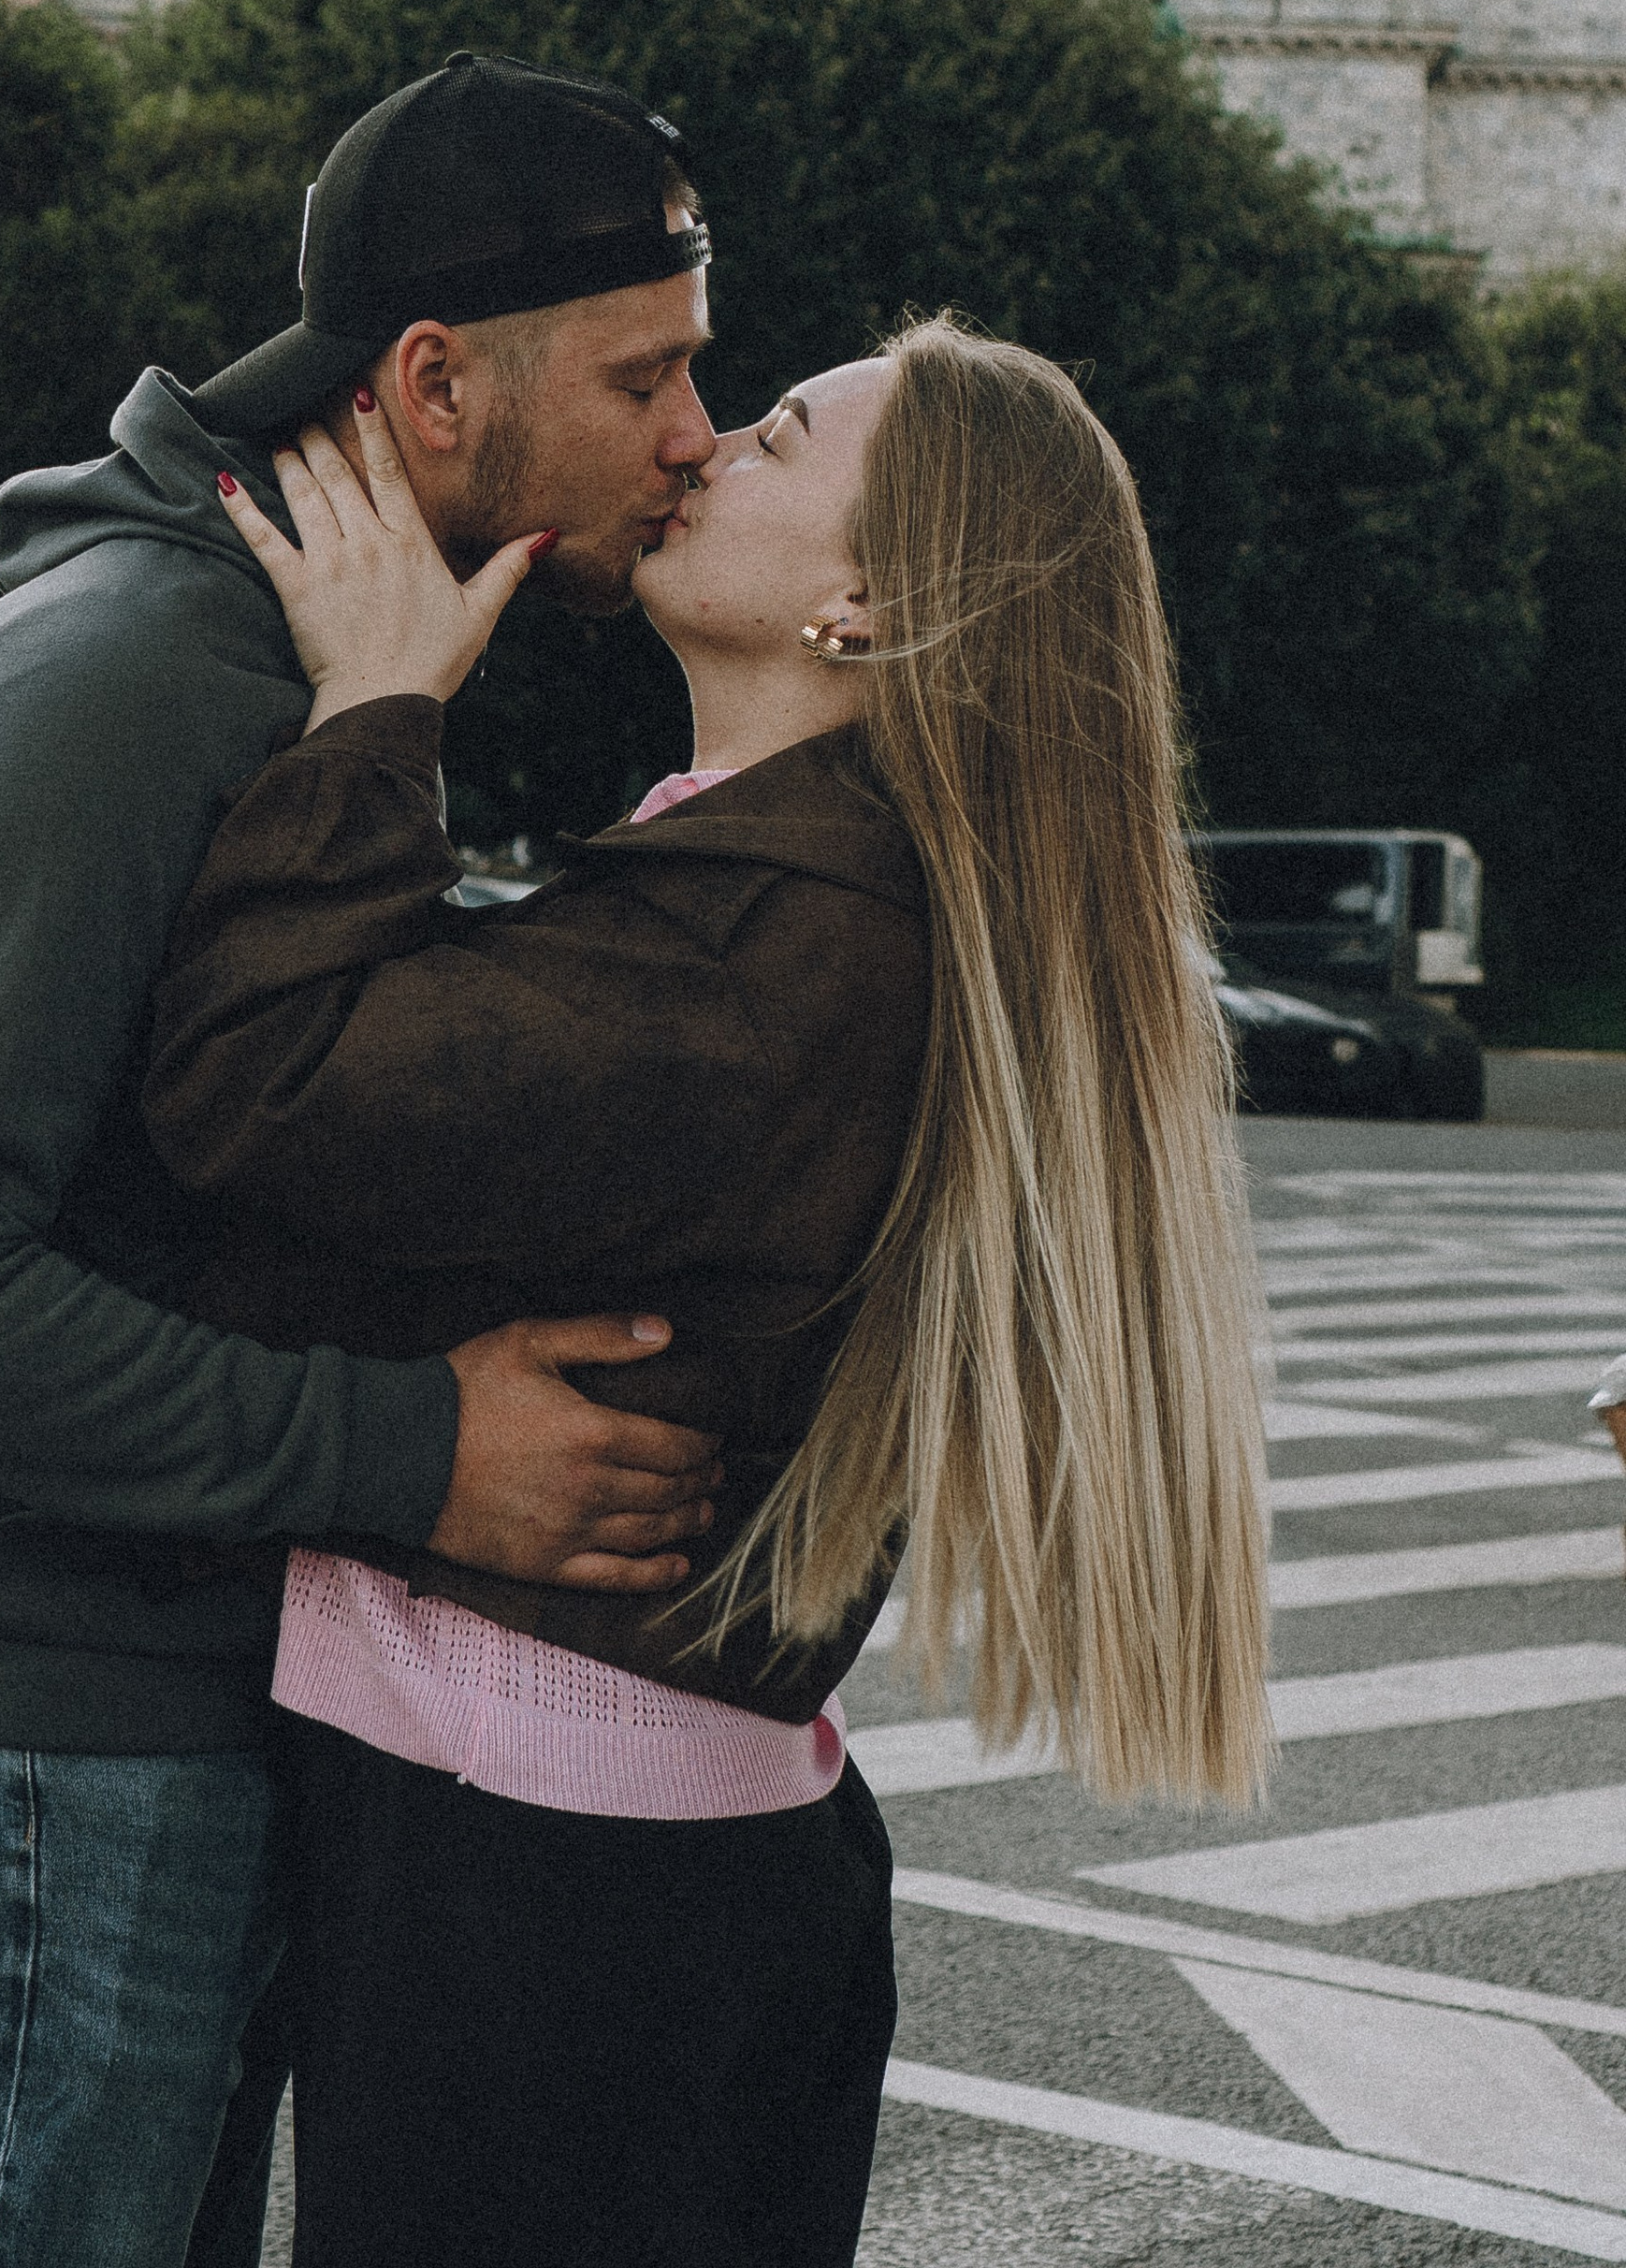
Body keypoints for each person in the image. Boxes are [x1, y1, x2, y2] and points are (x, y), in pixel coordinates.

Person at [147, 314, 1277, 2268]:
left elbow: (256, 1091)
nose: (691, 451)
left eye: (771, 434)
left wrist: (371, 716)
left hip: (534, 1874)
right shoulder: (813, 905)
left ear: (862, 608)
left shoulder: (760, 953)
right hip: (666, 1852)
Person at [0, 52, 724, 2268]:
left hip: (148, 1719)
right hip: (30, 1743)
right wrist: (411, 1450)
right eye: (647, 370)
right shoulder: (132, 670)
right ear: (431, 383)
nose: (695, 431)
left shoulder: (297, 649)